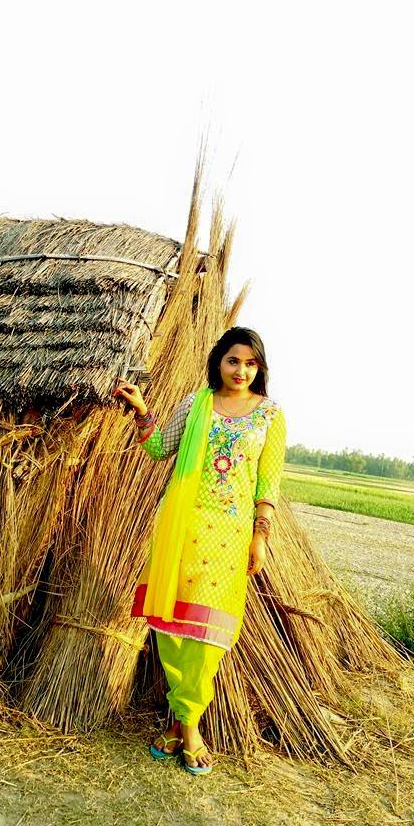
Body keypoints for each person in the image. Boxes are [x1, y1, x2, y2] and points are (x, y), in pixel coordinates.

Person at [113, 326, 287, 775]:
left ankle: (182, 723)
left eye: (251, 363)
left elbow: (267, 485)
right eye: (234, 361)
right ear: (218, 362)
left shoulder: (269, 416)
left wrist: (261, 535)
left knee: (210, 638)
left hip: (229, 535)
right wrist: (141, 411)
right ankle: (188, 729)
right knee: (171, 628)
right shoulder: (195, 405)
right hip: (182, 524)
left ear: (260, 367)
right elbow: (158, 448)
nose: (241, 370)